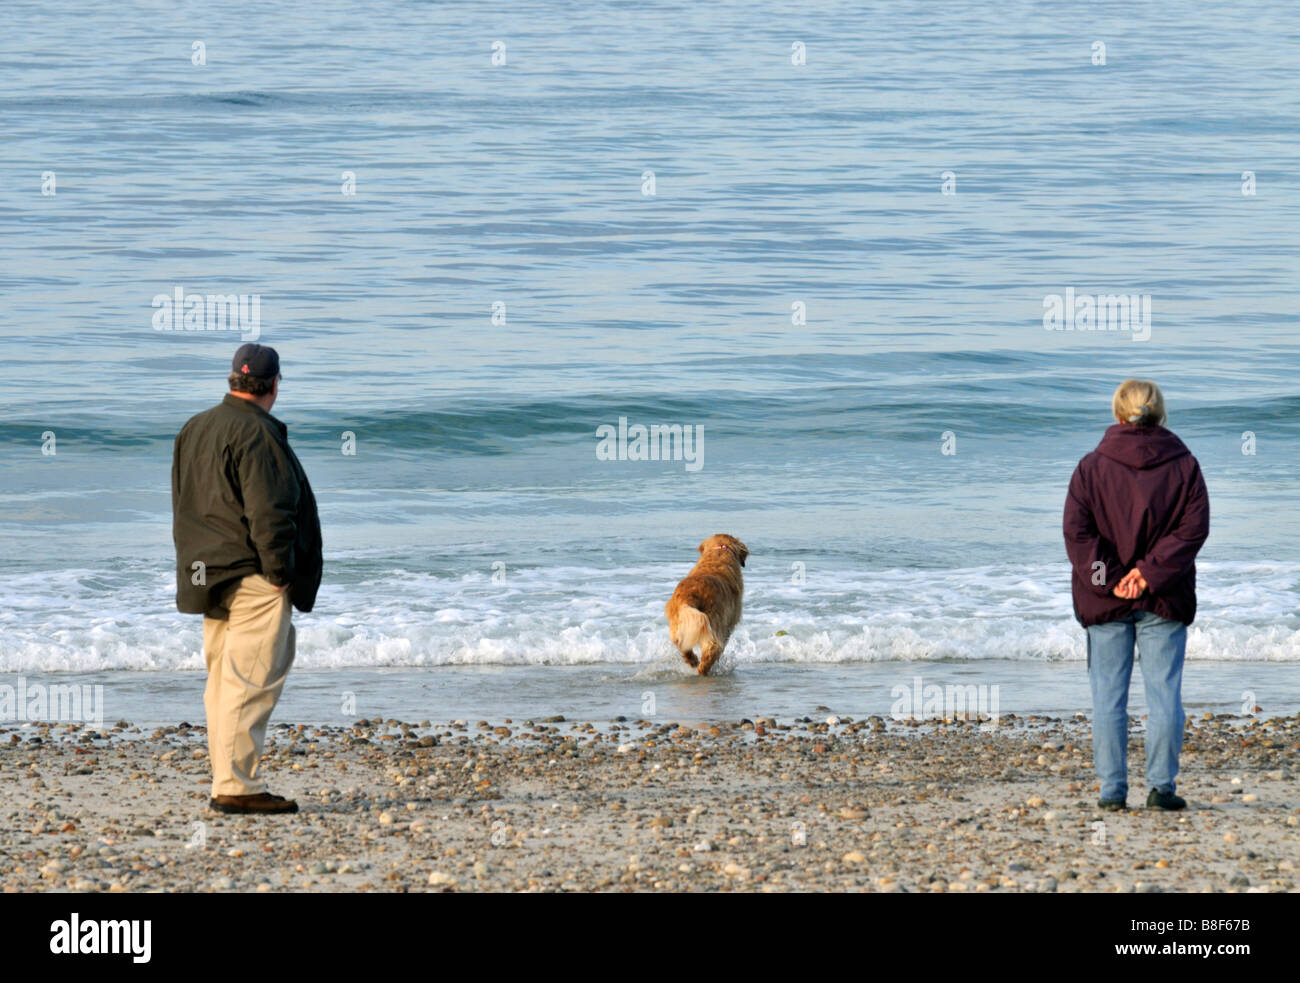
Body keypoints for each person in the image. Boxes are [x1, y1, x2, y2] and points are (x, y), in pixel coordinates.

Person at [171, 344, 322, 814]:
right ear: (275, 383)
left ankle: (228, 779)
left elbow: (186, 500)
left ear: (232, 380)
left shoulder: (195, 427)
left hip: (207, 571)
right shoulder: (258, 434)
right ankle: (236, 788)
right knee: (249, 682)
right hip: (253, 573)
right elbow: (269, 511)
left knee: (222, 683)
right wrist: (280, 573)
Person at [1063, 379, 1209, 811]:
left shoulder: (1092, 466)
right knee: (1164, 694)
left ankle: (1112, 793)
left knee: (1107, 696)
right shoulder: (1184, 464)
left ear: (1117, 413)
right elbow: (1192, 530)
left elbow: (1077, 534)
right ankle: (1161, 789)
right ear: (1160, 413)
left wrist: (1113, 579)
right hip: (1163, 595)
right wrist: (1144, 576)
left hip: (1108, 599)